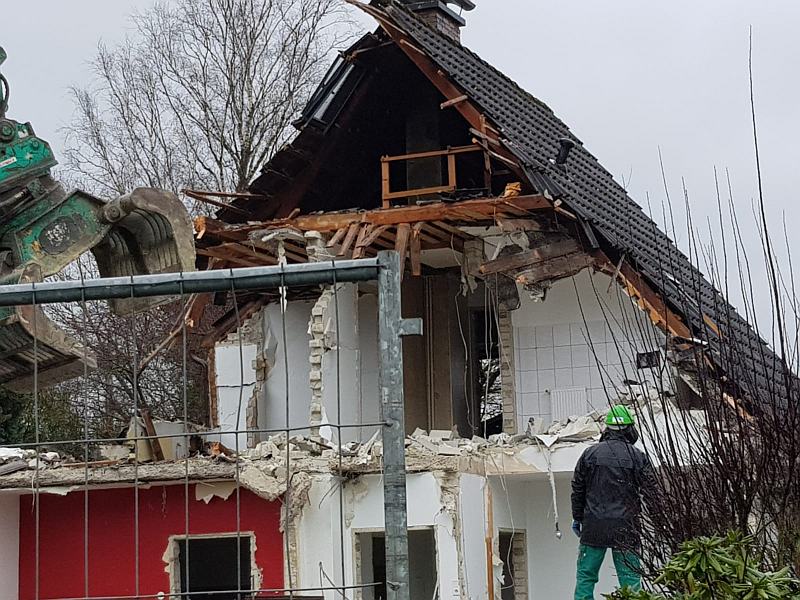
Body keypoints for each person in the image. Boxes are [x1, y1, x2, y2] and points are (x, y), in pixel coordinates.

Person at [570, 404, 656, 599]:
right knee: (631, 581)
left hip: (593, 526)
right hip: (627, 527)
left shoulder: (590, 455)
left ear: (607, 430)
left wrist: (577, 518)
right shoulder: (638, 457)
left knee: (586, 578)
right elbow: (652, 493)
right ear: (630, 430)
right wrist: (659, 521)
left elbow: (578, 489)